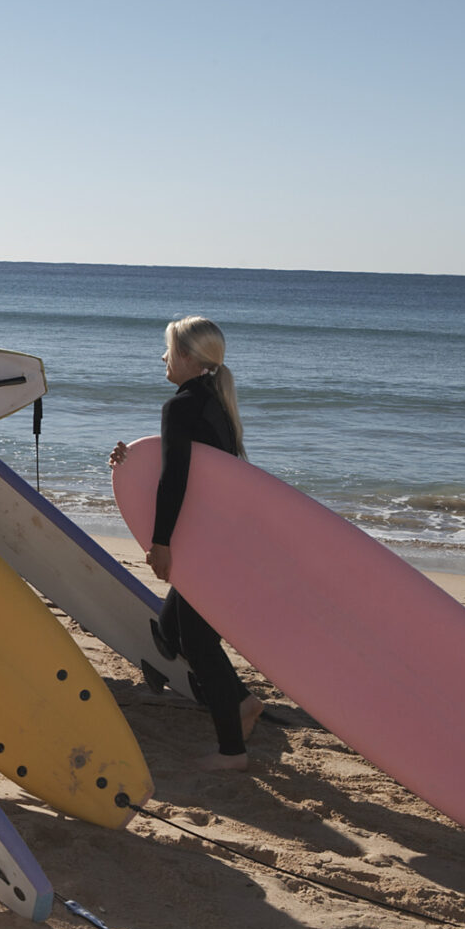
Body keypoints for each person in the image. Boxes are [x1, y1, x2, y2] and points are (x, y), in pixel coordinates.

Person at [109, 316, 264, 770]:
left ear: (191, 359)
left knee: (194, 638)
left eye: (169, 349)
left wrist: (161, 544)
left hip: (202, 544)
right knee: (172, 628)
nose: (163, 358)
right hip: (221, 539)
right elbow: (182, 474)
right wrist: (129, 463)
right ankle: (242, 702)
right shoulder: (214, 402)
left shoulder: (181, 407)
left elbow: (174, 480)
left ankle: (232, 750)